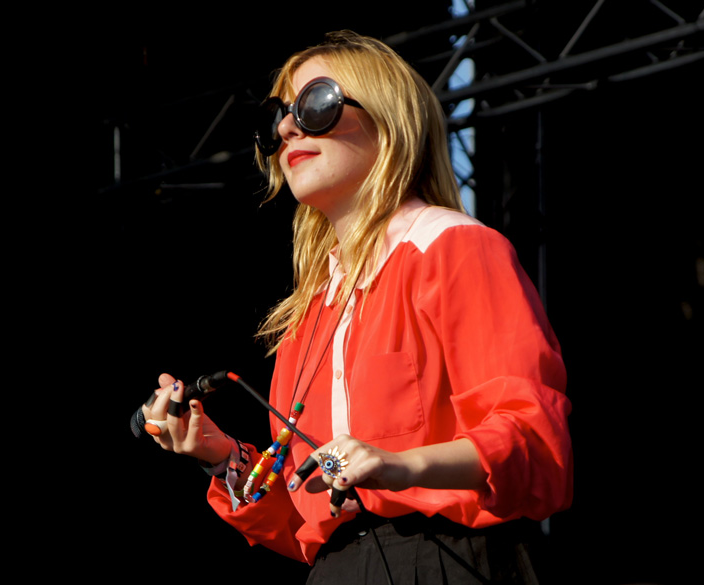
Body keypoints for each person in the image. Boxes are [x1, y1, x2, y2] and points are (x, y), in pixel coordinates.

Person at [138, 30, 572, 584]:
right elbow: (304, 522)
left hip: (450, 558)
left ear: (388, 121)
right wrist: (220, 455)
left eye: (315, 104)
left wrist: (400, 465)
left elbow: (533, 443)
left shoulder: (453, 247)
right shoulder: (308, 313)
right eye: (276, 118)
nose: (287, 129)